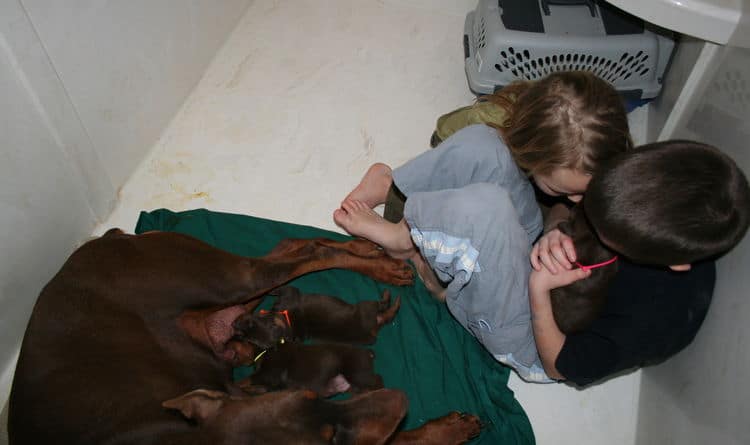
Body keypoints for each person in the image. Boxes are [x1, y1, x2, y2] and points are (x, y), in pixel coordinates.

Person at [333, 71, 632, 382]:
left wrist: (540, 287)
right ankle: (396, 188)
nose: (576, 200)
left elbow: (561, 366)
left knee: (484, 209)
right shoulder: (605, 172)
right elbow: (564, 206)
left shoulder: (638, 240)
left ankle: (404, 242)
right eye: (564, 191)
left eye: (580, 192)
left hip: (538, 334)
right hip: (541, 259)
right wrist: (557, 226)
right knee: (484, 144)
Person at [529, 140, 750, 385]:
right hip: (547, 259)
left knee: (489, 210)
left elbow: (558, 367)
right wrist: (555, 231)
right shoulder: (635, 190)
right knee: (489, 152)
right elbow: (567, 206)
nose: (581, 205)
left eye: (603, 233)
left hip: (546, 341)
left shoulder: (654, 323)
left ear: (675, 264)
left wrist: (538, 293)